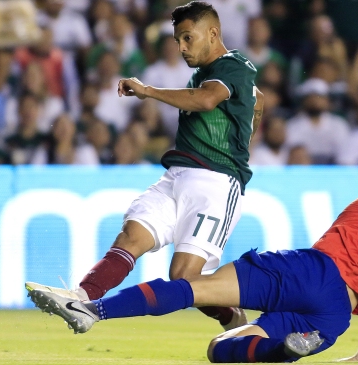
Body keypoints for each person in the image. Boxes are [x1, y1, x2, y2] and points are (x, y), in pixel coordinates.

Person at [27, 114, 358, 363]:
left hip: (312, 273)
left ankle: (92, 309)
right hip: (335, 317)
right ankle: (282, 350)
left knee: (194, 288)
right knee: (221, 352)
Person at [27, 1, 263, 331]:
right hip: (178, 175)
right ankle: (82, 299)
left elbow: (206, 99)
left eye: (187, 38)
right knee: (131, 235)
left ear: (213, 33)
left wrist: (148, 91)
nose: (181, 48)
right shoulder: (211, 75)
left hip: (216, 185)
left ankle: (233, 317)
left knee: (184, 277)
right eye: (178, 40)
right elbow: (257, 98)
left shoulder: (232, 65)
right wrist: (252, 113)